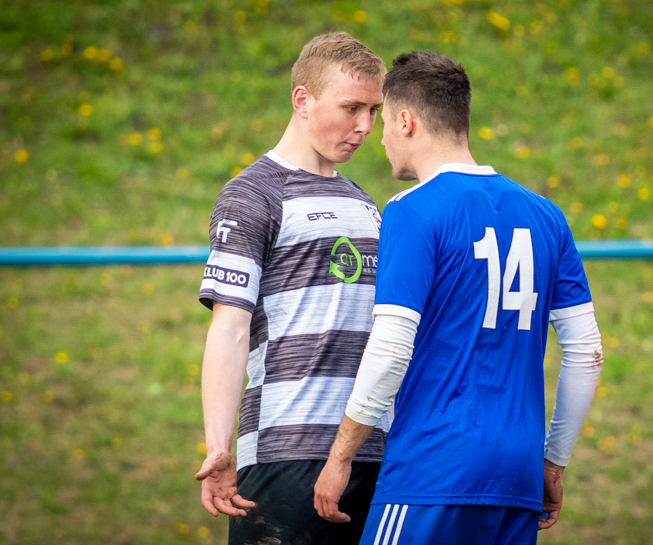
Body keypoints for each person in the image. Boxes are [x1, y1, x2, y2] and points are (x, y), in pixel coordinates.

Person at [312, 51, 604, 545]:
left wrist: (339, 457)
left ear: (406, 121)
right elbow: (586, 352)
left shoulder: (412, 211)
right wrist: (553, 461)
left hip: (432, 471)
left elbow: (390, 346)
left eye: (382, 118)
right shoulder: (546, 215)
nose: (377, 136)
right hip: (517, 477)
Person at [194, 32, 389, 545]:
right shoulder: (252, 194)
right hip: (287, 451)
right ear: (302, 100)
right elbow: (229, 326)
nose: (365, 126)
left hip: (376, 453)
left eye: (374, 110)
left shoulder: (367, 204)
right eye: (351, 108)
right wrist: (218, 445)